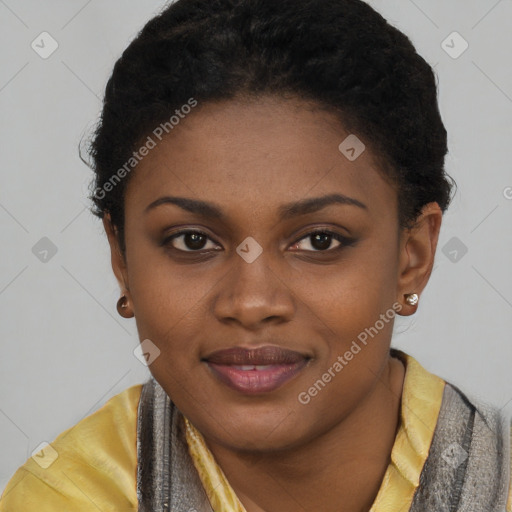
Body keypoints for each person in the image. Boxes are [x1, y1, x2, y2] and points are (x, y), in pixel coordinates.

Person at [1, 0, 510, 510]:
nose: (250, 302)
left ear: (412, 255)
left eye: (319, 240)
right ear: (123, 258)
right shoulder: (65, 496)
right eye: (192, 241)